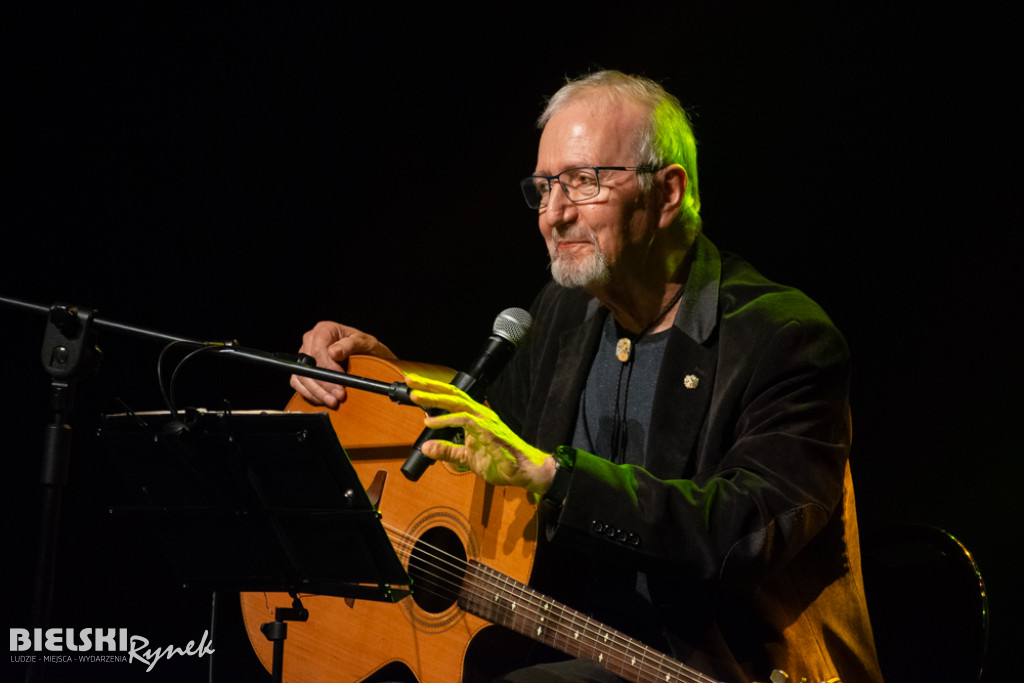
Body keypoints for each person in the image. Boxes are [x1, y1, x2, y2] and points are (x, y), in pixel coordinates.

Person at [291, 71, 883, 683]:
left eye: (583, 181)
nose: (554, 215)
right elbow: (493, 439)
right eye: (544, 188)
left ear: (669, 191)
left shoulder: (784, 337)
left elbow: (744, 534)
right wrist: (384, 375)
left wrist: (556, 477)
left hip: (716, 665)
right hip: (561, 638)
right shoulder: (564, 313)